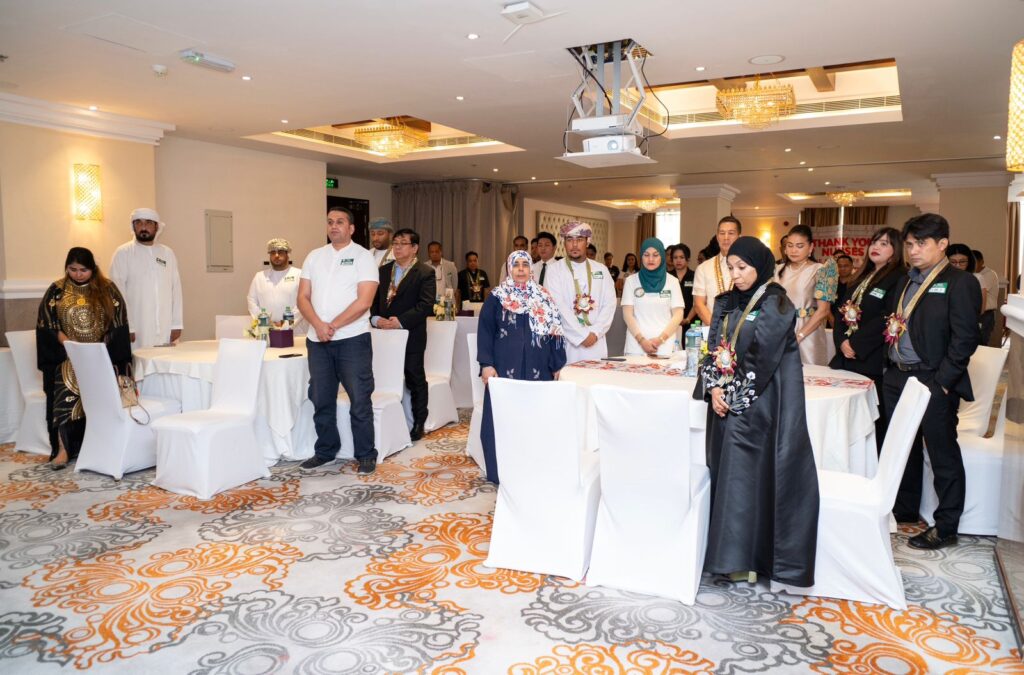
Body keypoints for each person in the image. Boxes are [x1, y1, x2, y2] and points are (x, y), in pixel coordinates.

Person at [694, 236, 818, 586]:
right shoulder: (726, 301)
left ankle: (744, 559)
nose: (735, 275)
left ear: (760, 267)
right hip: (724, 401)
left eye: (742, 268)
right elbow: (713, 348)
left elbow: (761, 358)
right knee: (724, 472)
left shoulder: (776, 303)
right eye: (731, 268)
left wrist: (731, 397)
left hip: (758, 405)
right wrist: (713, 387)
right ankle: (721, 554)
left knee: (745, 479)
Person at [886, 214, 981, 549]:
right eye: (910, 244)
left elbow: (965, 338)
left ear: (942, 244)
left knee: (942, 453)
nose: (913, 250)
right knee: (903, 448)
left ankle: (946, 526)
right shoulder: (905, 281)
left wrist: (942, 382)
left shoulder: (959, 282)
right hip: (897, 375)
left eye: (921, 243)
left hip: (932, 377)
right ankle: (905, 511)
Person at [297, 206, 379, 474]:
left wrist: (332, 326)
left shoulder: (363, 257)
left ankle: (365, 454)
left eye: (340, 222)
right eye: (330, 222)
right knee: (321, 399)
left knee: (360, 399)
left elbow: (364, 301)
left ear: (351, 228)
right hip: (317, 340)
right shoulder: (314, 256)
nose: (334, 226)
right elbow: (302, 297)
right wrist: (318, 325)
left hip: (352, 340)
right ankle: (325, 451)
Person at [37, 247, 131, 469]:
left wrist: (99, 349)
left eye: (83, 270)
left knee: (103, 397)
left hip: (101, 356)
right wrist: (70, 345)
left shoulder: (108, 289)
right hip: (67, 355)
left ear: (93, 269)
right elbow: (48, 325)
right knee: (65, 387)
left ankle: (104, 446)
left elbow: (118, 325)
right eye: (73, 269)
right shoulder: (56, 290)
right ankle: (63, 450)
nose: (78, 274)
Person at [477, 251, 566, 483]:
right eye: (515, 264)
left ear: (531, 269)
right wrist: (486, 364)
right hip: (504, 369)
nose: (520, 269)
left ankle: (535, 469)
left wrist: (558, 364)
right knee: (502, 419)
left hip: (540, 369)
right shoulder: (497, 297)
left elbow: (556, 332)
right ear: (509, 268)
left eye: (525, 264)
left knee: (537, 420)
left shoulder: (544, 297)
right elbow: (485, 332)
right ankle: (501, 473)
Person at [829, 227, 905, 445]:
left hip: (871, 357)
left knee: (871, 418)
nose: (876, 247)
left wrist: (855, 344)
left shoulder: (899, 277)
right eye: (874, 242)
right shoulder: (862, 275)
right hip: (846, 355)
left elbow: (888, 317)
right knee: (846, 415)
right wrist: (842, 342)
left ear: (896, 249)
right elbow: (841, 311)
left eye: (884, 244)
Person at [371, 228, 436, 442]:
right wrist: (375, 319)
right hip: (384, 337)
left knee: (414, 378)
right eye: (395, 243)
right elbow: (373, 302)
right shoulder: (383, 271)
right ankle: (390, 422)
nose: (397, 247)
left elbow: (425, 305)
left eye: (403, 243)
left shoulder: (425, 272)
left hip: (411, 334)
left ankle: (418, 422)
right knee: (384, 378)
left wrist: (399, 321)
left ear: (414, 248)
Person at [109, 207, 183, 348]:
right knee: (139, 359)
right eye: (138, 223)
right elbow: (116, 293)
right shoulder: (123, 253)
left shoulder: (167, 253)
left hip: (166, 326)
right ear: (133, 226)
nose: (143, 227)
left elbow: (176, 290)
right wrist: (127, 326)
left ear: (156, 227)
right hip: (137, 328)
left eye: (148, 222)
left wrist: (177, 324)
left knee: (165, 359)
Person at [546, 222, 616, 363]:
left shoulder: (601, 269)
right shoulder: (554, 270)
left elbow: (609, 304)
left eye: (579, 239)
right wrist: (581, 336)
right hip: (568, 342)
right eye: (569, 240)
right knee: (568, 375)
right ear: (564, 242)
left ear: (587, 242)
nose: (574, 245)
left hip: (596, 341)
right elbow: (557, 306)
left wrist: (595, 332)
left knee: (597, 375)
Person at [776, 224, 838, 365]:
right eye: (790, 245)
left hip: (808, 333)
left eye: (799, 246)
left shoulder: (820, 270)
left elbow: (823, 311)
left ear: (810, 248)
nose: (793, 250)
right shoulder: (777, 270)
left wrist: (799, 336)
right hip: (780, 330)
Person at [621, 238, 684, 356]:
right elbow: (627, 315)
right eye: (646, 255)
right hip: (636, 347)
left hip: (664, 347)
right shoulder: (631, 281)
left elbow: (678, 314)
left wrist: (660, 340)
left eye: (655, 255)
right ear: (641, 257)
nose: (650, 259)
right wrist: (642, 341)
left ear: (662, 257)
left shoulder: (672, 281)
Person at [246, 238, 306, 333]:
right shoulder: (259, 277)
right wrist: (265, 322)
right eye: (273, 253)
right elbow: (251, 300)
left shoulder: (300, 274)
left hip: (294, 330)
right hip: (266, 329)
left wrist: (285, 323)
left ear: (287, 254)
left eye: (280, 252)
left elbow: (304, 301)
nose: (276, 255)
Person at [693, 216, 742, 325]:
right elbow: (699, 304)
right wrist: (716, 329)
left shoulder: (749, 267)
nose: (726, 237)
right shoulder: (703, 268)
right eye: (722, 233)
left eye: (731, 233)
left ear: (739, 237)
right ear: (717, 237)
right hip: (711, 329)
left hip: (741, 331)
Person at [973, 249, 1000, 345]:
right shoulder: (973, 274)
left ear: (981, 262)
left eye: (975, 261)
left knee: (981, 343)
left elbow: (975, 291)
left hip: (985, 315)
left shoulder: (989, 274)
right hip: (975, 313)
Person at [670, 244, 697, 329]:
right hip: (671, 322)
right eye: (675, 257)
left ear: (688, 259)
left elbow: (698, 301)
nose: (678, 260)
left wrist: (688, 319)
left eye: (682, 257)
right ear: (671, 260)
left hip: (692, 323)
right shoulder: (667, 277)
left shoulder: (695, 276)